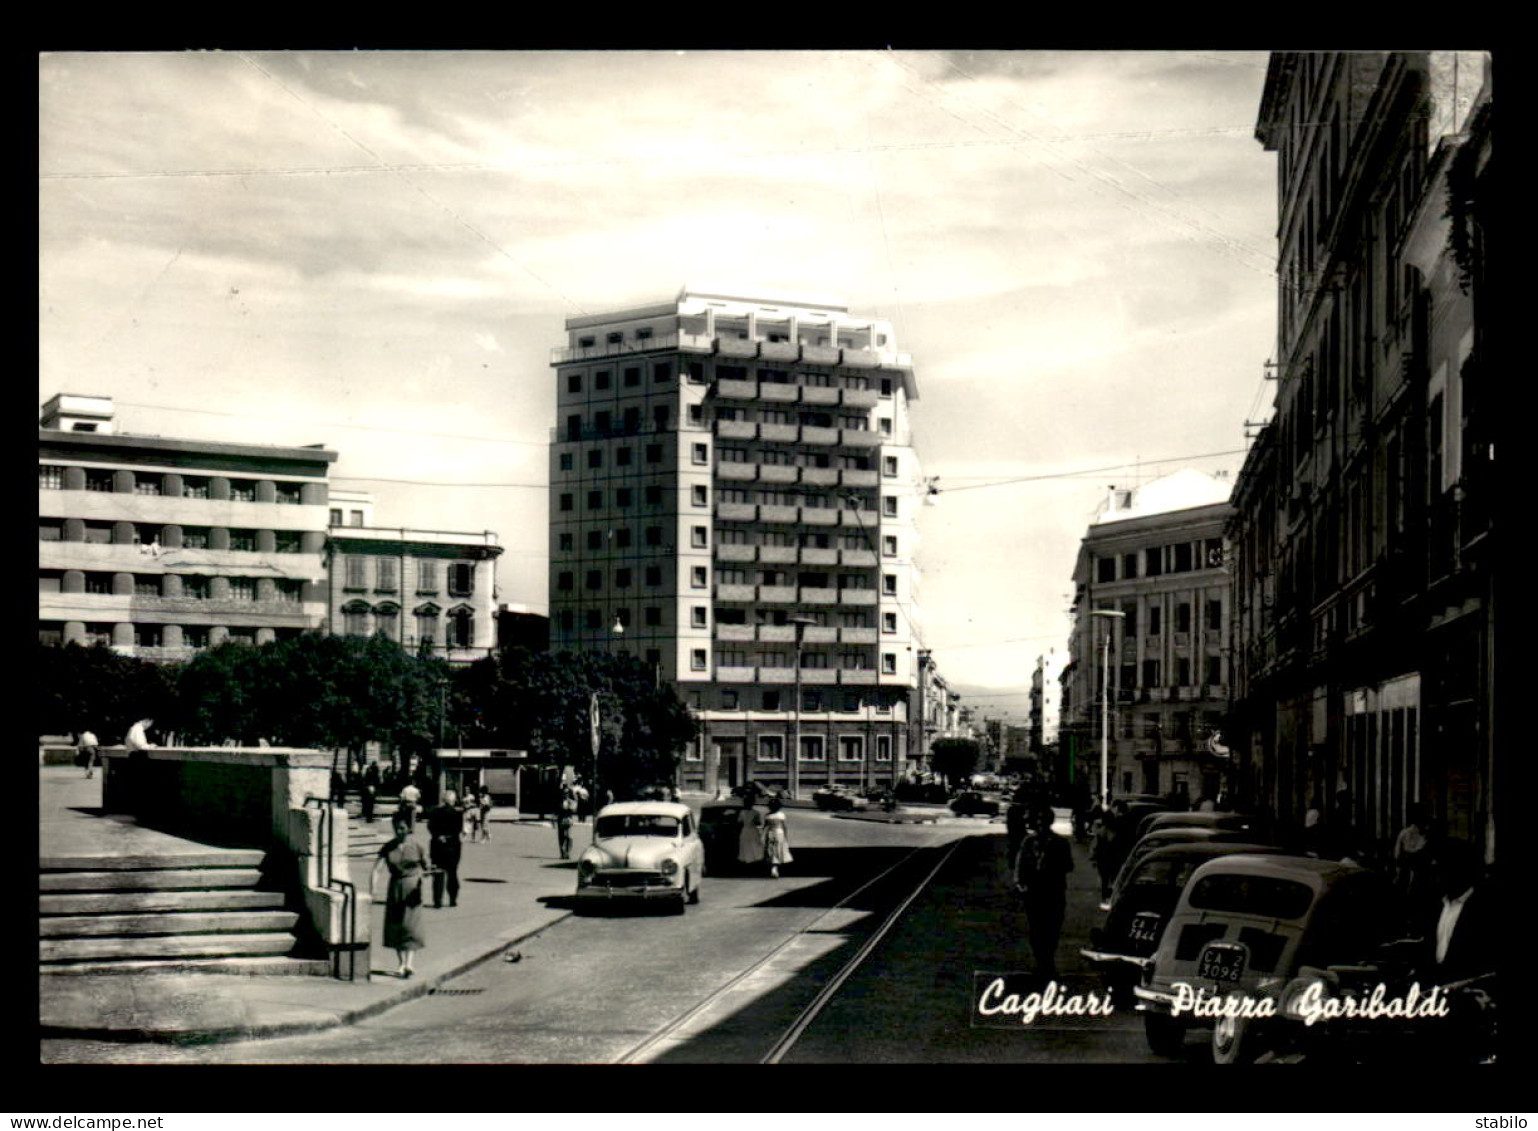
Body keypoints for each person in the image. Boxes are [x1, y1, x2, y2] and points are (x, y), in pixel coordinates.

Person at [1012, 804, 1074, 978]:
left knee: (1052, 928)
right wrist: (1020, 882)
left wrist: (1051, 865)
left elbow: (1069, 866)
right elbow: (1020, 864)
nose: (1040, 826)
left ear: (1049, 822)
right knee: (1037, 929)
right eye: (1038, 822)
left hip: (1053, 891)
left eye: (1043, 822)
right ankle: (1042, 962)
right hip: (1034, 892)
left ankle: (1048, 960)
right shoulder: (1029, 842)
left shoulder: (1061, 843)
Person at [370, 811, 429, 978]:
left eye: (402, 828)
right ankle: (401, 963)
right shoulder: (389, 846)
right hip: (395, 887)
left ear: (408, 828)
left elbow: (426, 866)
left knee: (411, 925)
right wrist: (372, 889)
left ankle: (410, 963)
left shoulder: (417, 846)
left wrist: (423, 876)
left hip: (412, 888)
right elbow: (377, 869)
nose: (399, 831)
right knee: (396, 924)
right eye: (397, 828)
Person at [427, 791, 464, 909]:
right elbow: (458, 829)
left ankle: (437, 900)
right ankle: (453, 899)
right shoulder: (457, 814)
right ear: (453, 801)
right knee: (452, 873)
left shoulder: (435, 812)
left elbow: (430, 826)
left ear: (443, 800)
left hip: (437, 845)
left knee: (438, 873)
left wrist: (438, 836)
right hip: (453, 846)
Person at [763, 797, 793, 879]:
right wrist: (786, 837)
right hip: (779, 833)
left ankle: (773, 867)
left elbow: (765, 827)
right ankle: (775, 867)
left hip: (770, 833)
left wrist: (763, 836)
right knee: (778, 850)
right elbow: (784, 827)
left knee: (771, 850)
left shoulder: (767, 816)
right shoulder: (781, 815)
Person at [737, 798, 765, 869]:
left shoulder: (742, 812)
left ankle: (746, 861)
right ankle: (754, 861)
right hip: (752, 830)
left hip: (745, 830)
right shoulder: (756, 812)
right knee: (754, 846)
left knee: (745, 846)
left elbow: (739, 822)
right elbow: (758, 823)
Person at [556, 786, 577, 859]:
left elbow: (574, 810)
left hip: (569, 820)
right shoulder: (559, 801)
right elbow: (556, 811)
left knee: (569, 837)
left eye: (567, 793)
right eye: (564, 793)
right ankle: (562, 852)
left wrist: (570, 804)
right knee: (561, 837)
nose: (565, 794)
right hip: (561, 820)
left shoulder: (571, 801)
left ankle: (568, 852)